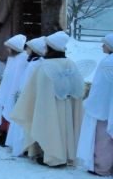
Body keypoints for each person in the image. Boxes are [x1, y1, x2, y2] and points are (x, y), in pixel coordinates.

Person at [10, 31, 85, 167]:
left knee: (50, 127)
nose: (44, 49)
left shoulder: (45, 66)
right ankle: (66, 154)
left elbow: (35, 92)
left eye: (47, 46)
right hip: (67, 105)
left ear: (52, 48)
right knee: (65, 128)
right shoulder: (71, 64)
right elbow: (79, 88)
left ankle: (51, 155)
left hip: (49, 108)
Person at [77, 33, 113, 176]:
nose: (102, 46)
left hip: (103, 107)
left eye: (104, 43)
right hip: (108, 105)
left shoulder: (107, 63)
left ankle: (101, 168)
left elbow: (100, 87)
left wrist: (91, 102)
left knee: (102, 140)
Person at [5, 36, 47, 155]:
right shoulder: (34, 63)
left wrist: (21, 93)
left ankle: (23, 146)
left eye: (28, 47)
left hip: (27, 96)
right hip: (25, 95)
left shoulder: (35, 64)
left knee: (23, 122)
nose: (26, 49)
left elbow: (29, 82)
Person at [0, 34, 28, 145]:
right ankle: (2, 133)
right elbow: (8, 75)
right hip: (7, 90)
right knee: (4, 111)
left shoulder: (23, 58)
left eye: (9, 47)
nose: (7, 50)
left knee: (11, 112)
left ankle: (8, 135)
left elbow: (18, 77)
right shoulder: (12, 58)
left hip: (14, 91)